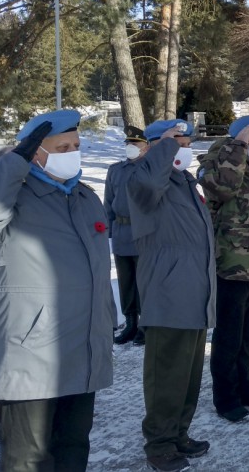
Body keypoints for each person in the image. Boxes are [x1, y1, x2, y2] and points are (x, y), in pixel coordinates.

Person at [0, 110, 115, 471]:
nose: (72, 152)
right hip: (30, 356)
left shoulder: (84, 196)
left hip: (82, 350)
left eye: (76, 145)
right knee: (28, 459)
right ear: (34, 154)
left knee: (73, 446)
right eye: (62, 146)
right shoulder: (13, 196)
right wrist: (10, 167)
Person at [126, 119, 216, 472]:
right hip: (167, 295)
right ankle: (159, 443)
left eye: (186, 141)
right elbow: (148, 181)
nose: (184, 147)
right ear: (154, 147)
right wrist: (163, 147)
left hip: (193, 293)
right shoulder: (139, 180)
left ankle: (178, 433)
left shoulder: (184, 183)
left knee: (188, 375)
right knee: (166, 375)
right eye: (177, 141)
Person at [197, 115, 249, 423]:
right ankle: (226, 398)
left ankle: (246, 388)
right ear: (239, 140)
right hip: (232, 267)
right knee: (229, 338)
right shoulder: (217, 167)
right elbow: (221, 191)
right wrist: (237, 149)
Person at [105, 126, 151, 345]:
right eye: (128, 144)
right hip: (122, 232)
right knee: (126, 281)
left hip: (143, 232)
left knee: (144, 280)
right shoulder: (115, 170)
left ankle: (146, 324)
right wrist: (107, 230)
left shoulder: (150, 169)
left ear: (146, 147)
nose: (131, 148)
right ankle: (131, 322)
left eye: (135, 144)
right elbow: (109, 201)